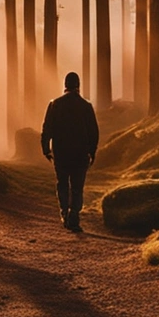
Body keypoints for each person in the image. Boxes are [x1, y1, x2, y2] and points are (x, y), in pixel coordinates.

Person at [41, 71, 100, 231]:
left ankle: (64, 211)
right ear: (78, 85)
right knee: (77, 186)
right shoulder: (86, 106)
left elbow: (47, 128)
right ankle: (74, 214)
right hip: (80, 154)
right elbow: (93, 131)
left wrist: (46, 149)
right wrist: (92, 151)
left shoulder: (55, 104)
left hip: (61, 152)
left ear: (65, 85)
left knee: (62, 183)